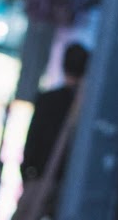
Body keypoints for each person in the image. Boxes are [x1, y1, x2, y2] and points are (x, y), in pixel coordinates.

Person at [20, 41, 89, 186]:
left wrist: (28, 173)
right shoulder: (88, 106)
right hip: (72, 181)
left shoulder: (48, 100)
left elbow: (33, 140)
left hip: (43, 178)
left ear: (64, 66)